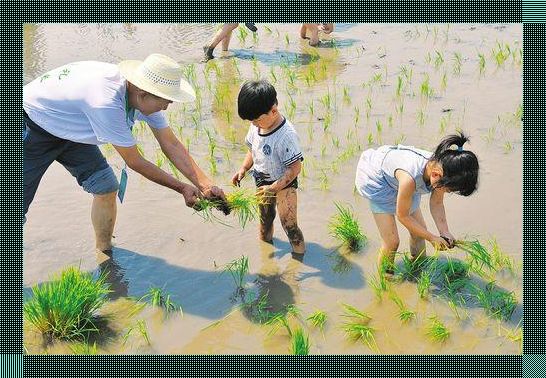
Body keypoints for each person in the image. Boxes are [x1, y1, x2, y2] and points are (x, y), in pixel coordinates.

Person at [24, 53, 226, 253]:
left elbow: (171, 144)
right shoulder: (107, 103)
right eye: (165, 101)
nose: (166, 106)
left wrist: (205, 185)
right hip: (32, 123)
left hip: (70, 124)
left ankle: (104, 253)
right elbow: (135, 161)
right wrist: (181, 187)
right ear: (143, 94)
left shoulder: (142, 98)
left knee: (105, 186)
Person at [354, 132, 479, 273]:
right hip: (377, 180)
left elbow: (437, 203)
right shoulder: (411, 178)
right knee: (392, 242)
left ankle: (418, 269)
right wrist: (432, 238)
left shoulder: (443, 168)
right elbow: (403, 216)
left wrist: (444, 232)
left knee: (419, 232)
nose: (447, 192)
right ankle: (386, 278)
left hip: (402, 180)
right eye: (448, 190)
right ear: (436, 175)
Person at [231, 80, 305, 258]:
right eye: (251, 121)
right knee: (265, 221)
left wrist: (274, 188)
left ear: (273, 111)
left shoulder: (286, 135)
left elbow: (295, 168)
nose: (254, 124)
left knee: (290, 225)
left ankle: (299, 259)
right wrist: (243, 168)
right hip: (262, 181)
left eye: (257, 120)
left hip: (284, 184)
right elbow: (252, 150)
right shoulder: (256, 127)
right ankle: (266, 256)